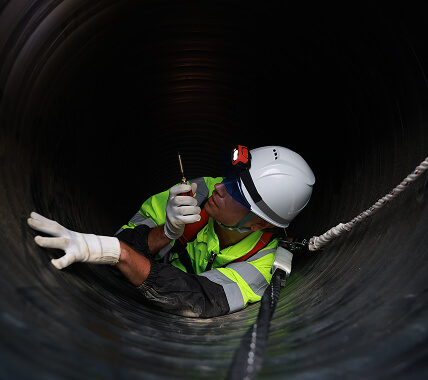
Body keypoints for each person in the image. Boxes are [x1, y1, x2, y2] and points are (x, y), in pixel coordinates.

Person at [28, 145, 315, 318]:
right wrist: (165, 232)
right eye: (229, 177)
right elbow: (125, 235)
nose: (218, 187)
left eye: (236, 193)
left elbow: (198, 297)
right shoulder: (197, 193)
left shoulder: (263, 264)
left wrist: (119, 254)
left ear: (260, 224)